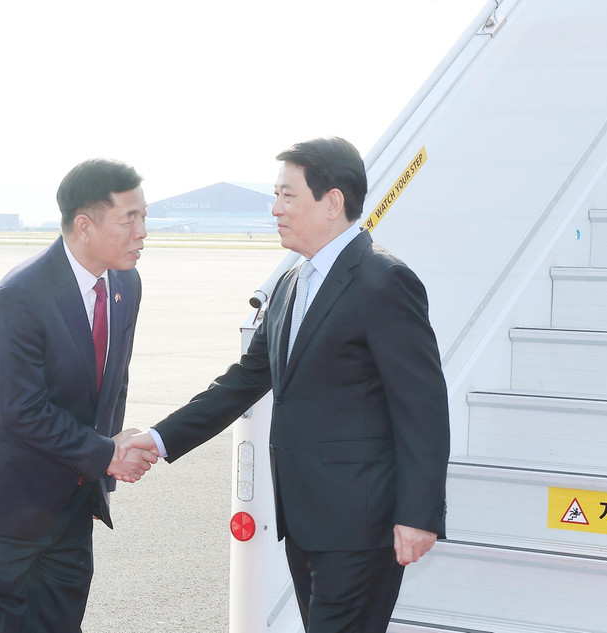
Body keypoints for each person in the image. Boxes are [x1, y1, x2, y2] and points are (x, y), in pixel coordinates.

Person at [127, 137, 450, 633]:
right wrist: (158, 438)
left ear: (333, 202)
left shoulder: (383, 281)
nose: (275, 209)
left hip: (361, 523)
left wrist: (420, 514)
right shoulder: (290, 282)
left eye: (287, 196)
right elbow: (241, 383)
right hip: (306, 521)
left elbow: (423, 406)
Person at [0, 158, 158, 633]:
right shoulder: (20, 296)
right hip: (2, 511)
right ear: (85, 225)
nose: (143, 231)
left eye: (145, 216)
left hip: (71, 507)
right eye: (131, 218)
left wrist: (110, 449)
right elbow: (23, 410)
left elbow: (114, 380)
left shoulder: (125, 282)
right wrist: (107, 454)